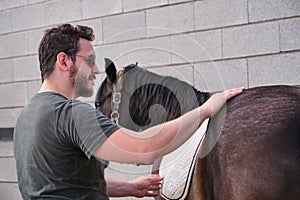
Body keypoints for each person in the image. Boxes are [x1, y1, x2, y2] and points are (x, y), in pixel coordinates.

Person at [13, 24, 244, 199]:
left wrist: (131, 188)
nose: (95, 70)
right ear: (63, 61)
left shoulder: (26, 118)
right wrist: (204, 110)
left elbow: (65, 182)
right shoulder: (71, 114)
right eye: (90, 61)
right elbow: (144, 147)